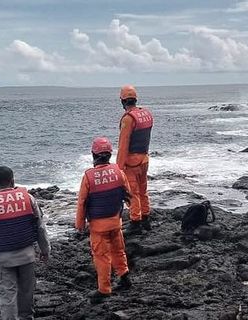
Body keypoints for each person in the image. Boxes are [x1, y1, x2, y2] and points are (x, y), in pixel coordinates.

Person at [0, 166, 50, 320]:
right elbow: (40, 227)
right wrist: (45, 250)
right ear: (13, 180)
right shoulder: (28, 198)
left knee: (7, 297)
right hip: (27, 256)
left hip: (3, 260)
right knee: (26, 293)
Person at [76, 137, 133, 303]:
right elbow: (127, 194)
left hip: (98, 226)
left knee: (101, 257)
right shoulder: (118, 172)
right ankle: (124, 277)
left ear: (93, 154)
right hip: (116, 221)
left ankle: (104, 289)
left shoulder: (88, 176)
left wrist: (79, 224)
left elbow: (82, 203)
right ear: (110, 154)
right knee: (118, 250)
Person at [117, 85, 154, 234]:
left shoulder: (128, 119)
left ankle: (135, 222)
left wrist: (118, 169)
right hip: (145, 159)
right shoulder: (146, 114)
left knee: (133, 193)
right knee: (143, 190)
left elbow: (123, 145)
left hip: (132, 162)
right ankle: (146, 218)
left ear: (123, 101)